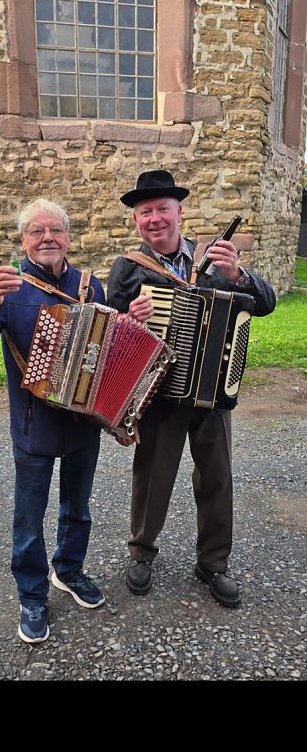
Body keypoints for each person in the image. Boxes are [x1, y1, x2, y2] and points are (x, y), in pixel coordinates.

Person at [107, 170, 276, 608]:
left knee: (217, 477)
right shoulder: (128, 267)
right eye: (145, 212)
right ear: (136, 221)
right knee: (152, 476)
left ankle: (213, 563)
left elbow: (268, 304)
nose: (154, 218)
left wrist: (239, 275)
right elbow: (110, 333)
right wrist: (130, 315)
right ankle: (141, 552)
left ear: (179, 212)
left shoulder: (216, 259)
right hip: (160, 394)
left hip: (212, 391)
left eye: (162, 208)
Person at [0, 198, 106, 644]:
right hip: (33, 427)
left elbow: (110, 348)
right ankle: (32, 594)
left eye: (55, 230)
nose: (47, 238)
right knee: (28, 518)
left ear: (69, 237)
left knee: (78, 509)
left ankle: (69, 571)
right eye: (36, 231)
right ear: (24, 240)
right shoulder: (9, 287)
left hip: (82, 427)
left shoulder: (90, 287)